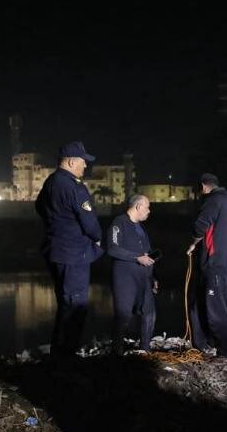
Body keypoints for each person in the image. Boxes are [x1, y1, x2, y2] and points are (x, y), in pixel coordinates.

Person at [35, 141, 103, 357]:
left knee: (65, 304)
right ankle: (66, 357)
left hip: (55, 251)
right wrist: (98, 238)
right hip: (74, 253)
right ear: (71, 161)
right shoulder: (75, 187)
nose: (85, 166)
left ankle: (59, 354)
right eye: (83, 162)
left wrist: (57, 224)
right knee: (76, 307)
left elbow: (39, 206)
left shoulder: (50, 182)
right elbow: (89, 221)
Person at [186, 173, 227, 360]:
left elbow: (200, 226)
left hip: (216, 263)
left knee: (216, 308)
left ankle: (225, 351)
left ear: (203, 186)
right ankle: (202, 344)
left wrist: (193, 241)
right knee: (201, 303)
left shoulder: (214, 200)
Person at [107, 194, 158, 354]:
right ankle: (117, 352)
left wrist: (153, 278)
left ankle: (145, 349)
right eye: (147, 207)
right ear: (138, 206)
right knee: (123, 315)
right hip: (125, 278)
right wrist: (136, 258)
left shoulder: (141, 229)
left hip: (144, 278)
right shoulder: (119, 223)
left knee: (149, 313)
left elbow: (147, 255)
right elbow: (112, 248)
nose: (149, 211)